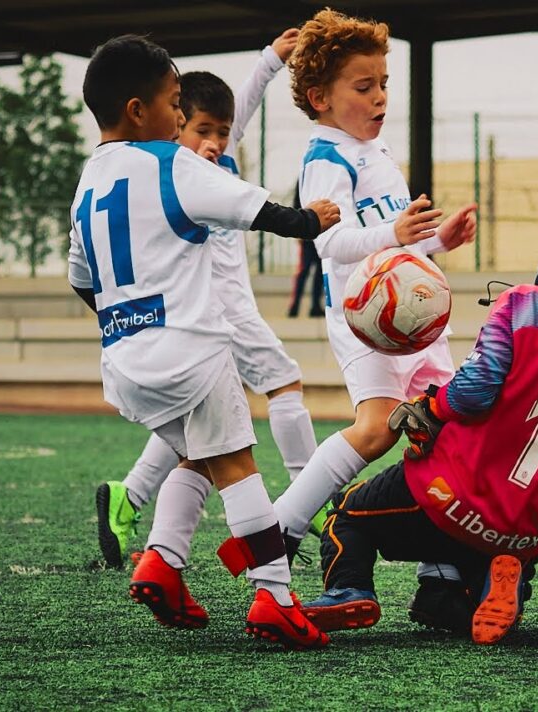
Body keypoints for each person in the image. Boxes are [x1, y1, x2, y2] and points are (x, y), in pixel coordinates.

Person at [298, 184, 538, 645]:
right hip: (519, 529)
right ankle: (486, 584)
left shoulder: (524, 305)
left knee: (346, 517)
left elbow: (474, 392)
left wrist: (431, 405)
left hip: (444, 495)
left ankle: (348, 589)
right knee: (439, 609)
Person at [69, 34, 338, 649]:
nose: (179, 115)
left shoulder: (88, 182)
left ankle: (162, 561)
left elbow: (82, 279)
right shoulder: (171, 161)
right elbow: (263, 212)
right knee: (241, 468)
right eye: (173, 102)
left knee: (198, 455)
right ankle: (274, 596)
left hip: (124, 362)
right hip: (191, 348)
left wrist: (128, 322)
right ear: (139, 110)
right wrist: (312, 219)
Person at [249, 8, 477, 632]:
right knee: (377, 431)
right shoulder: (325, 157)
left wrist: (436, 242)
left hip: (416, 320)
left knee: (444, 434)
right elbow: (331, 242)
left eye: (383, 82)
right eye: (363, 85)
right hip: (368, 320)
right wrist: (394, 231)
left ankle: (440, 578)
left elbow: (397, 246)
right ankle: (278, 533)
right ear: (320, 97)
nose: (379, 96)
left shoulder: (376, 150)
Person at [287, 187, 326, 318]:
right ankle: (295, 306)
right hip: (309, 231)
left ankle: (315, 306)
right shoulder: (305, 174)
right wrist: (298, 229)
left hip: (321, 231)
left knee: (319, 272)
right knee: (304, 271)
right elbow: (297, 202)